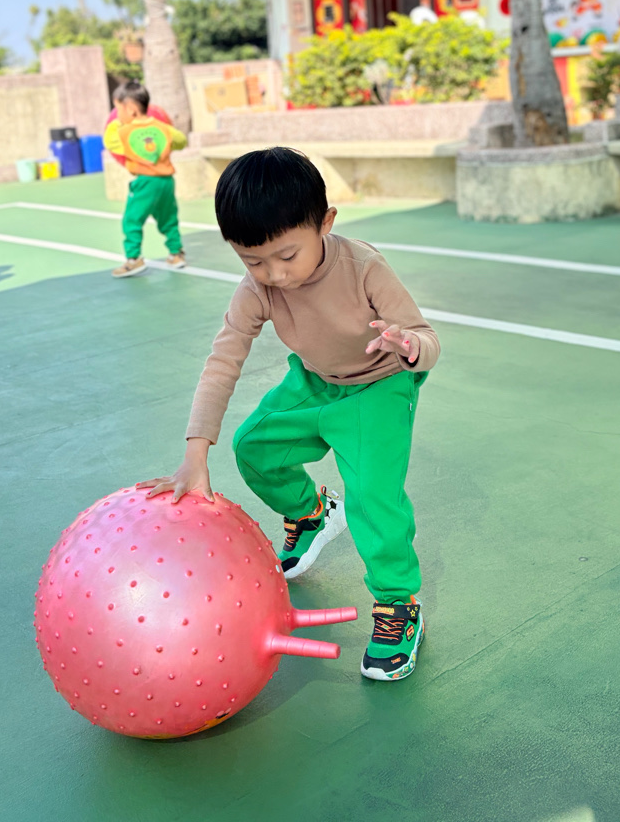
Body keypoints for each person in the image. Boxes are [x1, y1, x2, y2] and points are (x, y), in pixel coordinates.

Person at [138, 148, 440, 682]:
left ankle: (398, 604)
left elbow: (428, 339)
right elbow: (223, 360)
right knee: (254, 447)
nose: (273, 274)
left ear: (325, 223)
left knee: (374, 499)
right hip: (314, 382)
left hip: (378, 388)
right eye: (253, 261)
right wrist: (194, 453)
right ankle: (312, 513)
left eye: (286, 255)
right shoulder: (258, 289)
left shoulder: (364, 268)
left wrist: (408, 345)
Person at [103, 81, 187, 277]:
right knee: (168, 218)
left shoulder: (123, 132)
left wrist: (118, 123)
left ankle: (133, 259)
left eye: (118, 109)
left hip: (145, 182)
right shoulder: (163, 128)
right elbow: (181, 140)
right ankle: (176, 254)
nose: (117, 115)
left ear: (131, 109)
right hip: (166, 181)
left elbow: (109, 141)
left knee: (132, 219)